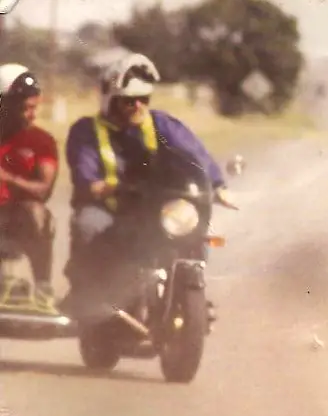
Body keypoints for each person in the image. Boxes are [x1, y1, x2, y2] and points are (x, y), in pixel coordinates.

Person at [61, 52, 236, 314]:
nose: (138, 106)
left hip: (153, 207)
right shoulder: (87, 131)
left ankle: (193, 290)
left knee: (194, 228)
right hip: (109, 208)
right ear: (112, 100)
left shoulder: (162, 125)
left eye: (143, 99)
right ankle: (88, 295)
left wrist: (217, 185)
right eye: (129, 101)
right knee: (89, 225)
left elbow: (195, 154)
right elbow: (86, 178)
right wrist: (105, 187)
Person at [0, 63, 60, 313]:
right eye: (25, 108)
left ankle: (43, 287)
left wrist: (7, 178)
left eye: (34, 108)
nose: (31, 115)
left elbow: (43, 190)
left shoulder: (42, 141)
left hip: (18, 217)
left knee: (39, 213)